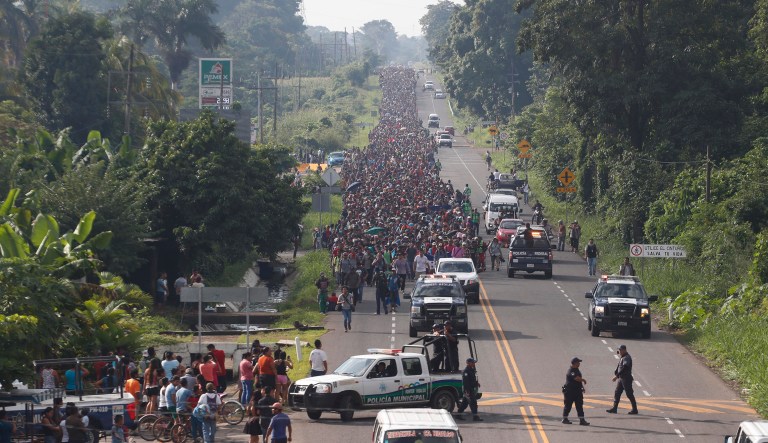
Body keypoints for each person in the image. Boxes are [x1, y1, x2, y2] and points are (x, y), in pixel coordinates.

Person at [607, 344, 638, 414]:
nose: (619, 351)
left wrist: (617, 375)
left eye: (620, 350)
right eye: (619, 350)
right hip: (621, 378)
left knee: (629, 394)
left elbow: (625, 368)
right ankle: (614, 408)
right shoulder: (623, 356)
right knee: (617, 393)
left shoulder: (627, 357)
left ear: (624, 350)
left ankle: (635, 409)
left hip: (626, 379)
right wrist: (616, 371)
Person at [562, 357, 590, 425]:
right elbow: (576, 378)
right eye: (578, 362)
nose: (579, 363)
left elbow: (578, 381)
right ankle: (565, 418)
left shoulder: (577, 370)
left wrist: (582, 387)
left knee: (579, 405)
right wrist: (583, 380)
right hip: (570, 391)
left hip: (577, 391)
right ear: (574, 363)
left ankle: (582, 420)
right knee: (568, 405)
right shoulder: (571, 371)